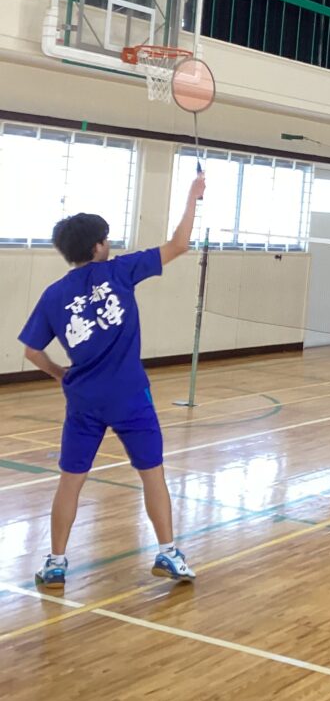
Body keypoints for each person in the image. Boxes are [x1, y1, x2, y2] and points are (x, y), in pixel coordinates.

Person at [19, 173, 206, 589]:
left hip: (83, 400)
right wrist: (193, 196)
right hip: (130, 396)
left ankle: (56, 562)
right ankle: (167, 551)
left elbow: (31, 351)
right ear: (97, 247)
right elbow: (179, 244)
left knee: (71, 481)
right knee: (152, 474)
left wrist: (60, 373)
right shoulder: (120, 271)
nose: (110, 245)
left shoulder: (54, 294)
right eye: (106, 240)